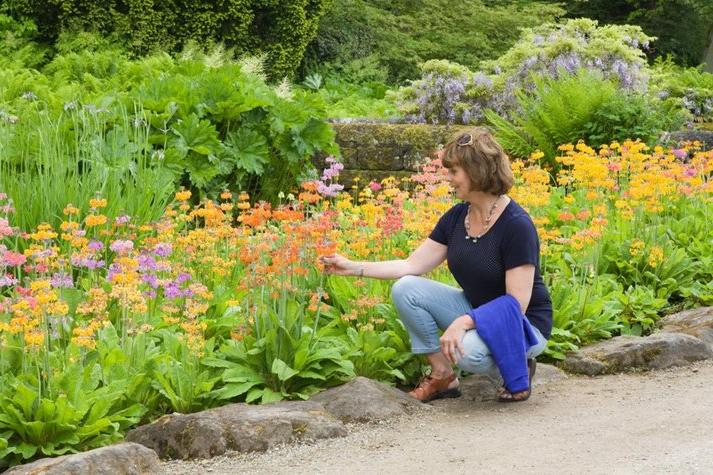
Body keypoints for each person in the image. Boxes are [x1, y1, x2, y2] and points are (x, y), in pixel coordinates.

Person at [321, 127, 552, 403]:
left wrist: (464, 323)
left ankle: (518, 362)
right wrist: (351, 266)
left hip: (523, 324)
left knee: (467, 352)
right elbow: (409, 265)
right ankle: (443, 375)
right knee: (406, 288)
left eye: (454, 171)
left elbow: (516, 305)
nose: (449, 179)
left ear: (477, 171)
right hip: (478, 312)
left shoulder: (516, 225)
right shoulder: (457, 218)